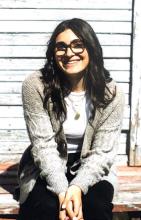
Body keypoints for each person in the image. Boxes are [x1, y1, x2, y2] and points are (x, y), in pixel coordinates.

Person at [17, 18, 125, 220]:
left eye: (78, 45)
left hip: (92, 165)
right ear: (53, 53)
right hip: (45, 165)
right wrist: (62, 192)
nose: (69, 53)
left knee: (96, 207)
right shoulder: (35, 86)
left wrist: (77, 187)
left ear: (92, 49)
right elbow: (43, 146)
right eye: (61, 47)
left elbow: (103, 152)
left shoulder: (112, 93)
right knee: (47, 208)